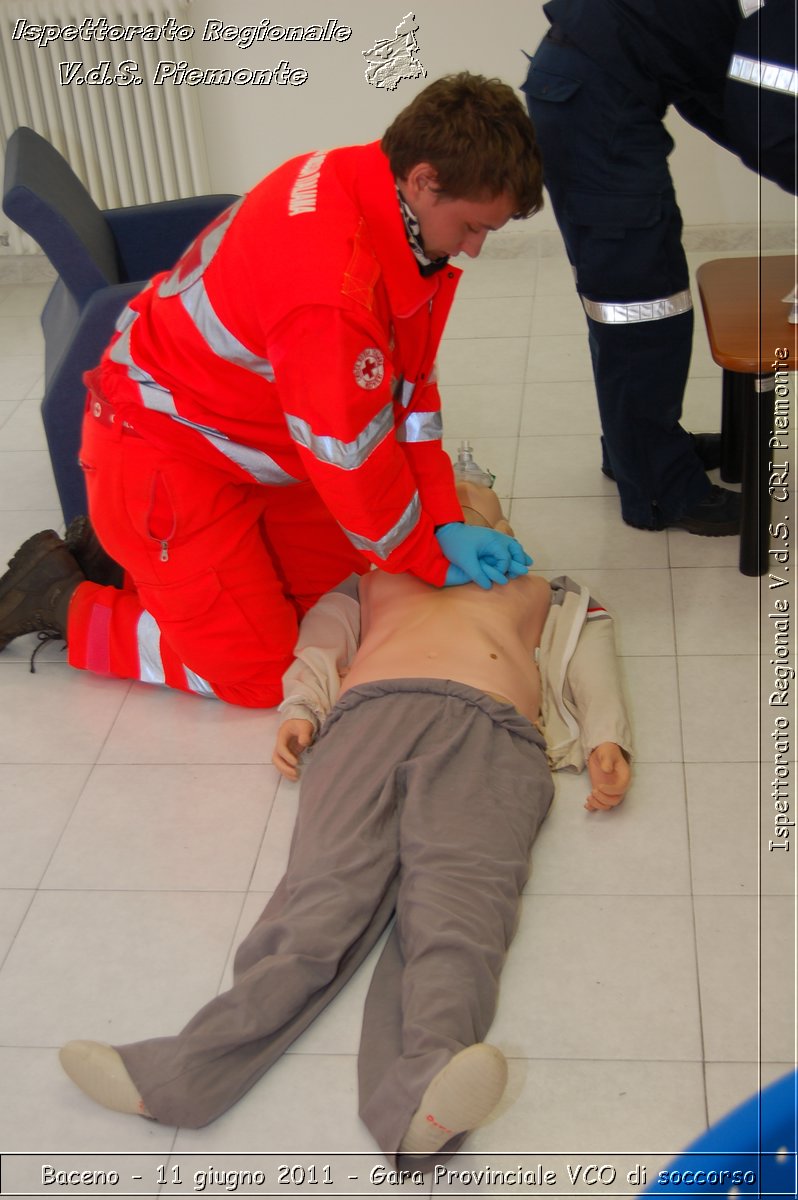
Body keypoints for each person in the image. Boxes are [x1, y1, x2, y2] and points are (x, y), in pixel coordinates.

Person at [57, 480, 632, 1169]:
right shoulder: (370, 578)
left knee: (461, 906)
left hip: (492, 732)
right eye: (446, 500)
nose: (463, 506)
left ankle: (426, 1091)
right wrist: (300, 708)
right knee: (320, 897)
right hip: (368, 718)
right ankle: (174, 1076)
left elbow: (592, 659)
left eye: (476, 500)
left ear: (504, 520)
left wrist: (607, 737)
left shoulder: (547, 590)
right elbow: (321, 646)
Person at [0, 72, 542, 706]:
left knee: (348, 584)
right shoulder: (332, 292)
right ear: (423, 179)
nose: (474, 249)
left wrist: (443, 519)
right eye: (474, 227)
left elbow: (409, 399)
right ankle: (63, 599)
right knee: (260, 675)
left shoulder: (376, 197)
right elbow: (352, 459)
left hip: (243, 445)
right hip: (161, 457)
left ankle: (140, 563)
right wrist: (425, 548)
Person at [521, 0, 797, 537]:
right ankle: (658, 490)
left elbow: (730, 98)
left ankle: (640, 449)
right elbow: (754, 113)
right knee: (641, 307)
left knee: (639, 295)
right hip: (596, 106)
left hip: (593, 88)